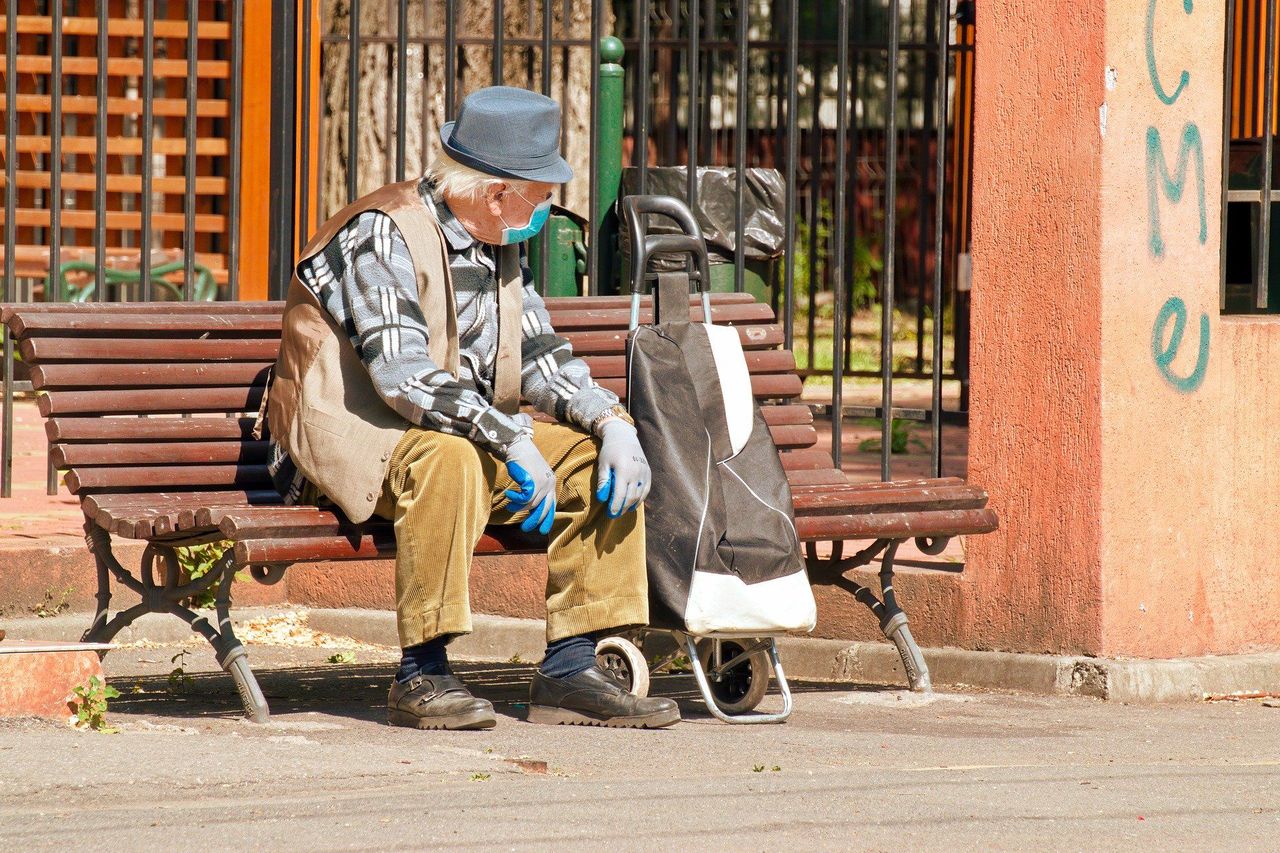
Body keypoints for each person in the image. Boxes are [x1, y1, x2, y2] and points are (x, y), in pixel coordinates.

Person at [263, 86, 677, 730]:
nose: (546, 209)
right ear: (496, 193)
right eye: (539, 195)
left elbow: (541, 358)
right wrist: (510, 439)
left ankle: (572, 669)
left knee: (596, 462)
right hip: (349, 436)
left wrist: (610, 421)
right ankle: (421, 672)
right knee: (452, 458)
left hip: (459, 431)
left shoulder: (497, 242)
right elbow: (403, 377)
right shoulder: (382, 232)